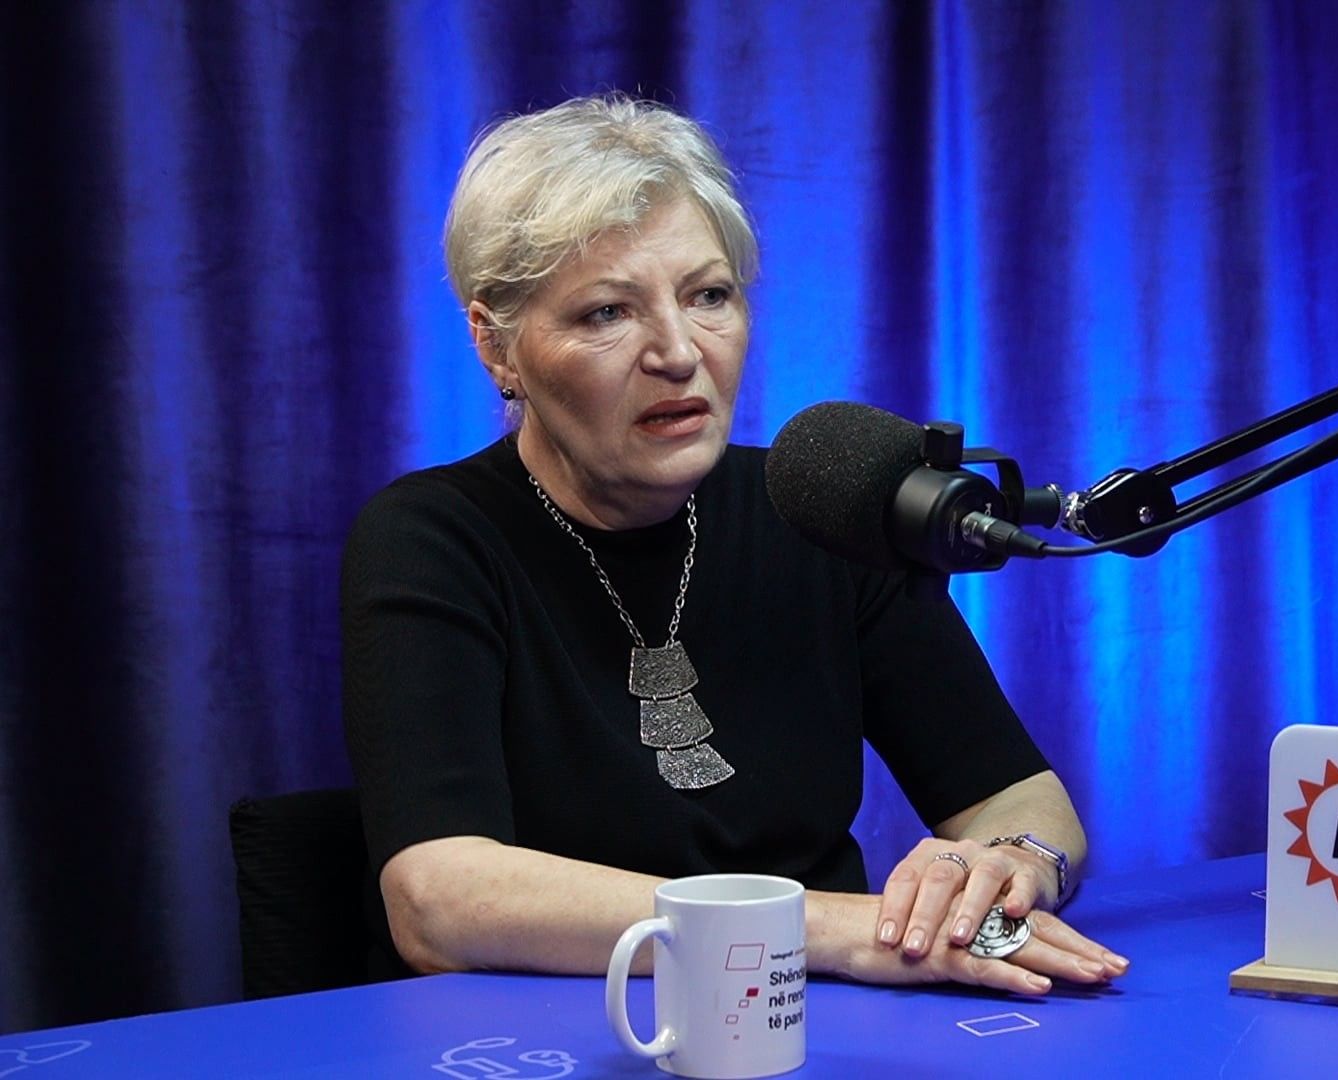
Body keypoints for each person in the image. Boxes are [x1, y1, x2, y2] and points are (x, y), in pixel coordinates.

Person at [341, 93, 1127, 996]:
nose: (678, 352)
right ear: (497, 347)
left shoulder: (825, 513)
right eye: (607, 313)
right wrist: (832, 930)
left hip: (821, 1018)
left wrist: (1013, 865)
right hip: (566, 1025)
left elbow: (1015, 796)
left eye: (708, 295)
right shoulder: (433, 538)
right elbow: (438, 900)